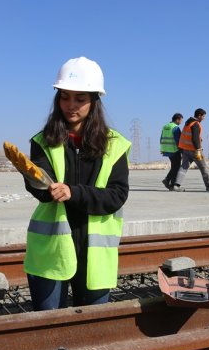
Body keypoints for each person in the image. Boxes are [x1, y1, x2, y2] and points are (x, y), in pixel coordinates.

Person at [24, 57, 130, 311]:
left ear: (94, 101)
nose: (71, 105)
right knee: (49, 325)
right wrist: (35, 180)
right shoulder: (43, 141)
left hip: (94, 254)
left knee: (90, 332)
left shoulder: (115, 144)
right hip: (52, 250)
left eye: (80, 98)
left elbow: (116, 195)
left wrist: (73, 193)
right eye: (64, 97)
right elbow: (42, 191)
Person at [173, 108, 209, 192]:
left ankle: (176, 185)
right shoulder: (195, 124)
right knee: (204, 167)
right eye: (203, 116)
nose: (204, 118)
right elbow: (195, 138)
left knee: (183, 168)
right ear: (199, 115)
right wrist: (198, 149)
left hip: (185, 149)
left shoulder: (187, 123)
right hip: (194, 150)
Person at [160, 113, 183, 190]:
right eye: (181, 120)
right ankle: (172, 184)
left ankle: (167, 180)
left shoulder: (165, 126)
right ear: (177, 119)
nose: (181, 122)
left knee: (174, 166)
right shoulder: (175, 128)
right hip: (174, 149)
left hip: (166, 149)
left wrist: (162, 149)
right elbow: (178, 140)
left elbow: (161, 138)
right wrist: (181, 150)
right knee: (176, 167)